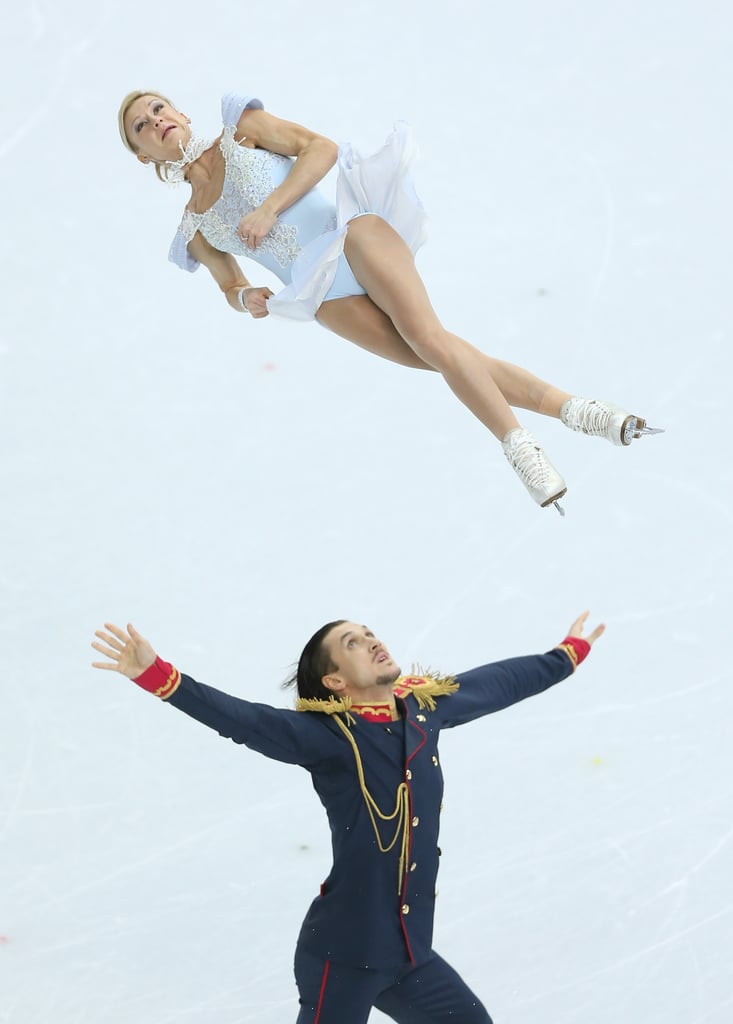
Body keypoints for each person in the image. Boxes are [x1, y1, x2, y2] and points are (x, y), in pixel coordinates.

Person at [118, 91, 662, 512]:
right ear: (143, 155)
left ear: (181, 112)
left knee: (433, 342)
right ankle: (580, 411)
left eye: (158, 107)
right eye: (141, 125)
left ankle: (520, 448)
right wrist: (247, 297)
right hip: (321, 295)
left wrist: (271, 210)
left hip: (353, 237)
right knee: (440, 355)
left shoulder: (241, 131)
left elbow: (321, 148)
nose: (156, 120)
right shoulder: (194, 227)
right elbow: (227, 284)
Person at [92, 610, 605, 1022]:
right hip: (342, 958)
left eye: (369, 632)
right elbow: (242, 720)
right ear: (335, 680)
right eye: (353, 643)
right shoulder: (328, 739)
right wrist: (158, 676)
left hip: (409, 955)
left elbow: (494, 683)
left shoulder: (423, 710)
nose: (372, 640)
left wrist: (564, 656)